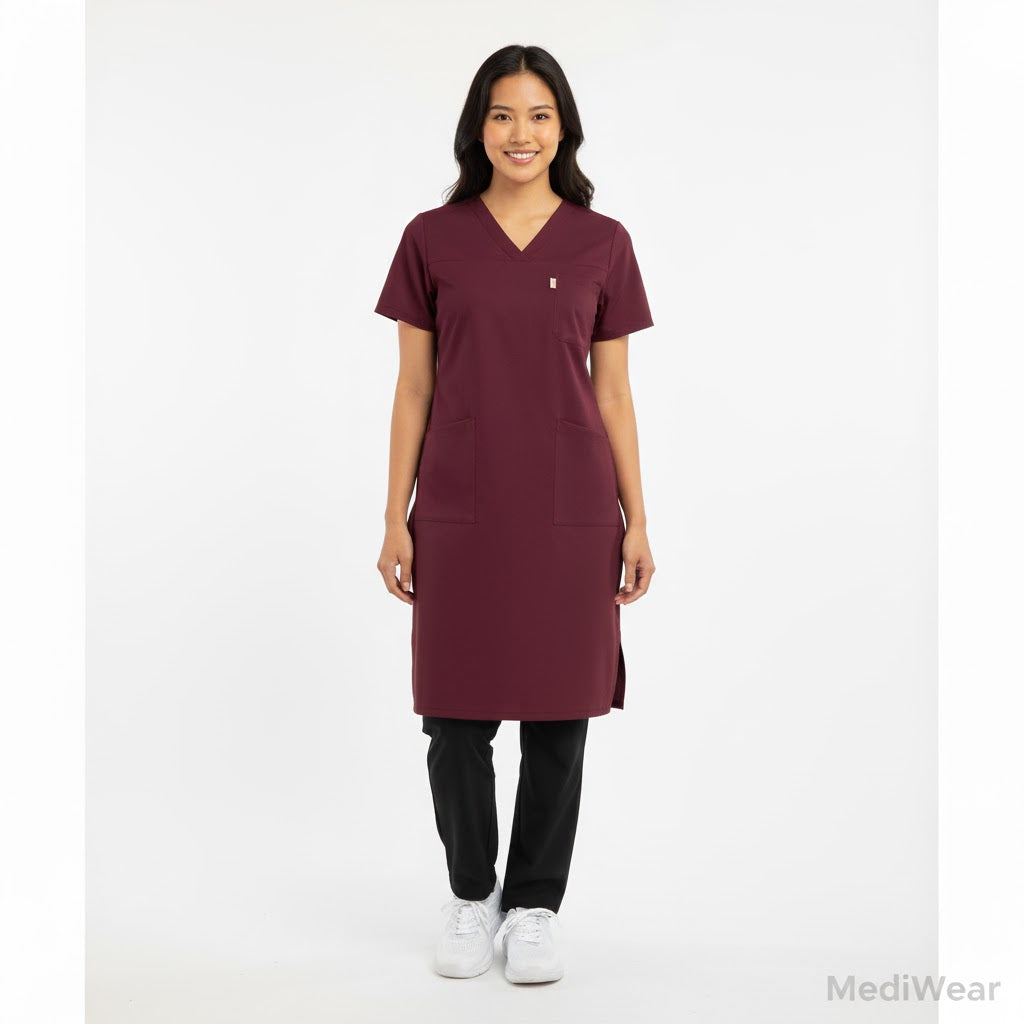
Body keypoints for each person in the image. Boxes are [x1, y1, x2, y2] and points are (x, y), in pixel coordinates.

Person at [374, 44, 656, 984]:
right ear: (478, 128)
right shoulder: (433, 237)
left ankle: (534, 906)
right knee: (455, 718)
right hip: (459, 508)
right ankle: (471, 894)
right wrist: (394, 515)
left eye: (539, 115)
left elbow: (613, 395)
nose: (521, 133)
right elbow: (414, 388)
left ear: (563, 128)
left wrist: (638, 519)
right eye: (502, 115)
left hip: (572, 511)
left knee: (559, 717)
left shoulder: (602, 241)